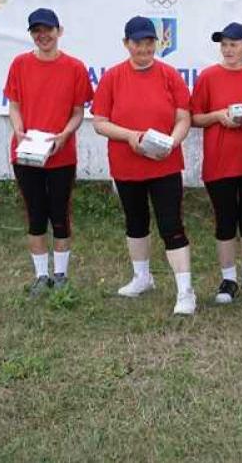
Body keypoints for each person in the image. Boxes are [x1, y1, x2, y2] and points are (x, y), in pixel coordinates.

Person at [92, 16, 195, 315]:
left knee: (171, 225)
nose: (144, 48)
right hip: (127, 165)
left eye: (149, 42)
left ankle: (185, 291)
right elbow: (100, 122)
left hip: (165, 165)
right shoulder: (112, 77)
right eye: (138, 42)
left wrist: (171, 142)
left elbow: (183, 117)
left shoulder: (169, 75)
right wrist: (130, 136)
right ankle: (142, 277)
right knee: (135, 222)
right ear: (126, 44)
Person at [5, 8, 93, 297]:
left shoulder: (75, 67)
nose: (43, 36)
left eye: (48, 30)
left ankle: (61, 275)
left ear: (59, 31)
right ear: (31, 34)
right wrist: (19, 130)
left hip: (61, 154)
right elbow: (14, 106)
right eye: (36, 31)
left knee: (60, 215)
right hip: (26, 154)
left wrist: (64, 134)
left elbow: (78, 112)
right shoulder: (20, 64)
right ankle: (41, 276)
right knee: (35, 214)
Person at [191, 22, 242, 305]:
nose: (228, 50)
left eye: (234, 44)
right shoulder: (208, 76)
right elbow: (195, 117)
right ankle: (227, 280)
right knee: (225, 220)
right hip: (220, 161)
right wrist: (218, 116)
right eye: (224, 44)